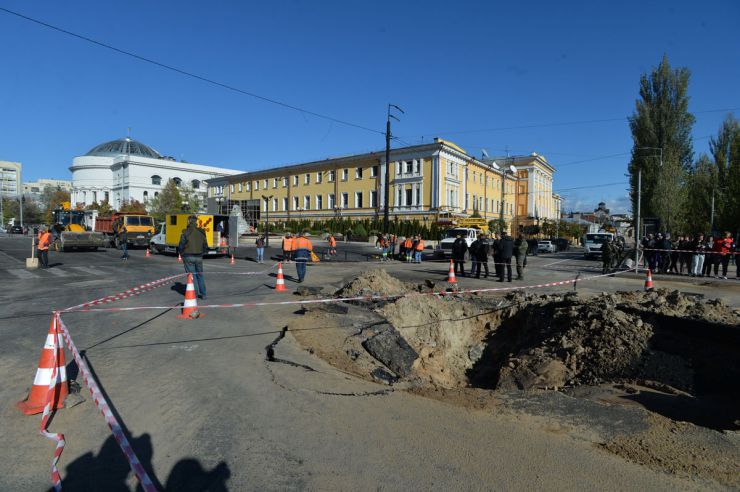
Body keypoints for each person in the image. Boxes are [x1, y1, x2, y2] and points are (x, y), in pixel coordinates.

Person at [179, 215, 208, 299]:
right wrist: (203, 253)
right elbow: (205, 245)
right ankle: (204, 294)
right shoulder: (201, 232)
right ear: (196, 222)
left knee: (192, 276)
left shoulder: (185, 232)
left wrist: (181, 253)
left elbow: (181, 245)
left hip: (188, 256)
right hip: (199, 256)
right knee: (200, 275)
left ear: (189, 221)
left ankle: (194, 294)